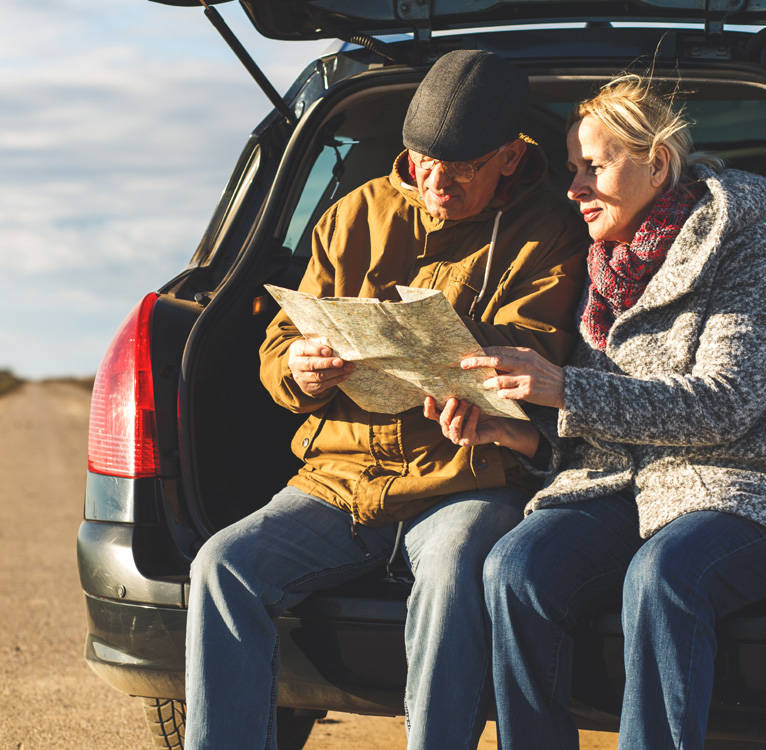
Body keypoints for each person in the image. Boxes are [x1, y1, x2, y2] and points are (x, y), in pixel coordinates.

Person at [182, 50, 587, 750]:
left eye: (460, 169)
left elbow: (537, 348)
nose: (436, 183)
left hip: (464, 478)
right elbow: (283, 338)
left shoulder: (550, 228)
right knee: (222, 567)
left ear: (510, 158)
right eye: (422, 163)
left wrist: (479, 390)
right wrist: (299, 370)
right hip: (336, 479)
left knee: (456, 572)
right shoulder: (351, 214)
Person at [425, 73, 766, 750]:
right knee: (515, 567)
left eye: (593, 166)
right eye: (570, 170)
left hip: (753, 484)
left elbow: (724, 406)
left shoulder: (749, 255)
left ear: (656, 162)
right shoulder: (606, 269)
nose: (573, 188)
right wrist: (522, 436)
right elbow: (603, 436)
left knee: (661, 576)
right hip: (633, 487)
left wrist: (566, 390)